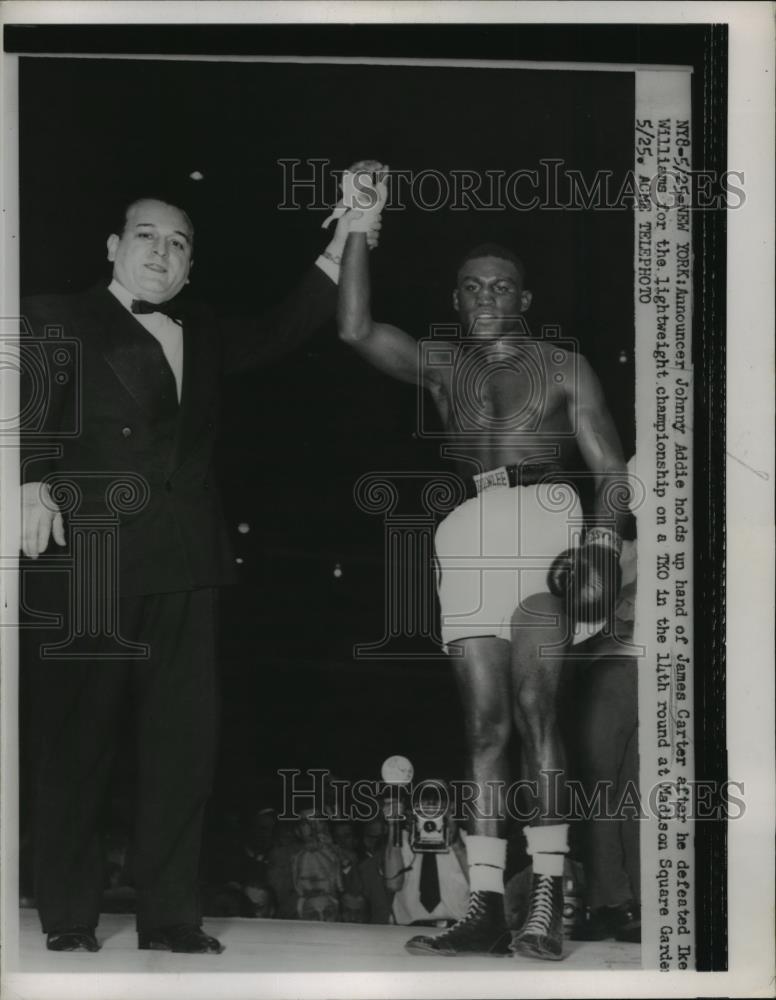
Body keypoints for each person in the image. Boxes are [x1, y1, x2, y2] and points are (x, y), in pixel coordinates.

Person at [19, 171, 383, 955]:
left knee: (183, 746)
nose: (162, 250)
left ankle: (171, 915)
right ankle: (69, 915)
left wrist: (352, 230)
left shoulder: (206, 330)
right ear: (115, 248)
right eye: (147, 235)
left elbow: (289, 325)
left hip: (189, 559)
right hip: (89, 560)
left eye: (178, 243)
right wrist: (23, 481)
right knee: (77, 743)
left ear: (190, 267)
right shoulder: (56, 318)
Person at [338, 217, 628, 960]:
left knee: (537, 711)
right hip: (469, 524)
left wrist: (599, 540)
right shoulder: (442, 366)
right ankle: (488, 904)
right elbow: (355, 327)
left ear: (524, 296)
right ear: (457, 299)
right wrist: (360, 225)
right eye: (473, 287)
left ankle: (549, 902)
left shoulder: (565, 366)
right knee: (482, 729)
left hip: (548, 518)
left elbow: (613, 472)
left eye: (501, 285)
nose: (487, 296)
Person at [383, 782, 469, 930]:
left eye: (438, 800)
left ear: (452, 806)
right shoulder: (402, 840)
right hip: (408, 931)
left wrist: (456, 844)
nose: (431, 808)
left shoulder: (470, 841)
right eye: (424, 801)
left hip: (458, 931)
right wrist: (394, 826)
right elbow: (393, 884)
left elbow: (482, 888)